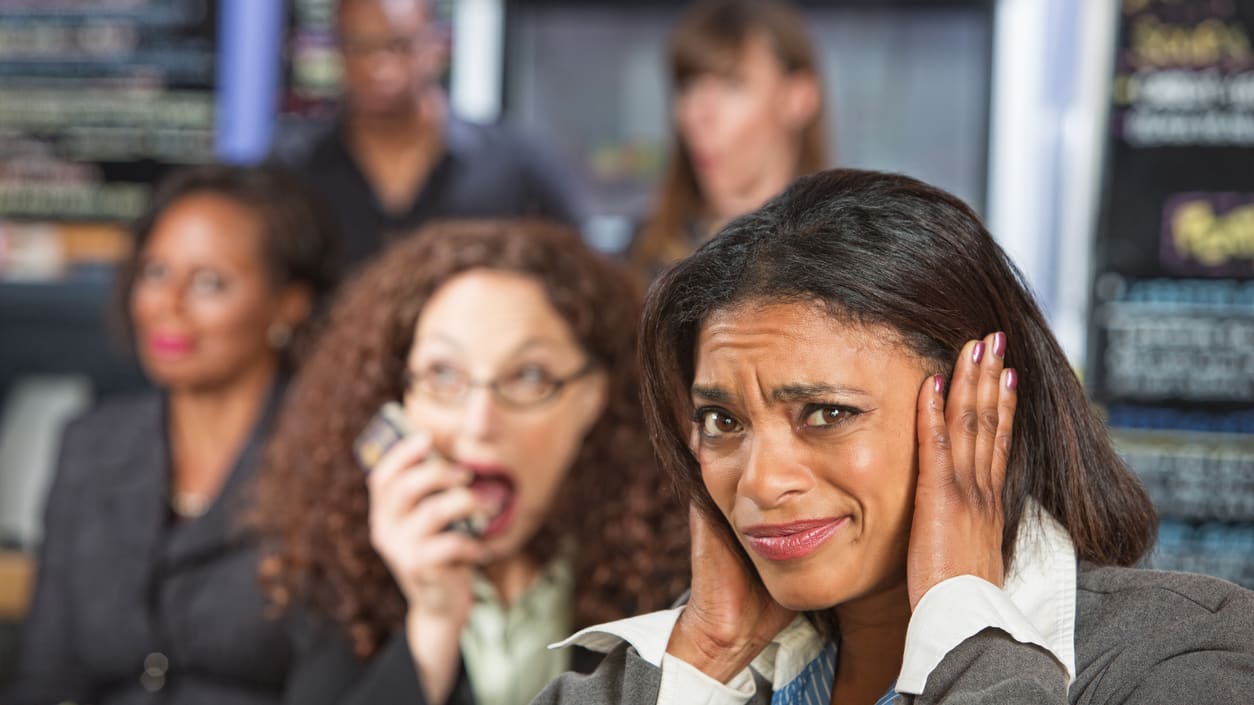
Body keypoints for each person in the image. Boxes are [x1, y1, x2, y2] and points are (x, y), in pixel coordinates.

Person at [536, 168, 1254, 704]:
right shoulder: (659, 677)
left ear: (982, 405)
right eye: (724, 421)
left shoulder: (1184, 657)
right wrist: (705, 657)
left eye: (826, 412)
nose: (757, 480)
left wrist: (966, 625)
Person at [252, 220, 689, 704]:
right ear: (397, 397)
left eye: (528, 375)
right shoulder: (339, 569)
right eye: (443, 374)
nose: (479, 421)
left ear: (593, 397)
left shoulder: (667, 577)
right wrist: (432, 624)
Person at [5, 165, 341, 705]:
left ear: (290, 304)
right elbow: (45, 676)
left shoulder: (334, 465)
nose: (169, 303)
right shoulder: (91, 445)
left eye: (210, 283)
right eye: (155, 272)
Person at [280, 0, 583, 271]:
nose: (378, 65)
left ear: (438, 46)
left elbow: (576, 270)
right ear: (337, 49)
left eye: (398, 45)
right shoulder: (295, 171)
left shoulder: (515, 163)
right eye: (358, 46)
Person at [630, 0, 826, 279]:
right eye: (689, 86)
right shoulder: (645, 255)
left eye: (731, 85)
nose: (699, 113)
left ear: (799, 98)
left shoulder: (845, 258)